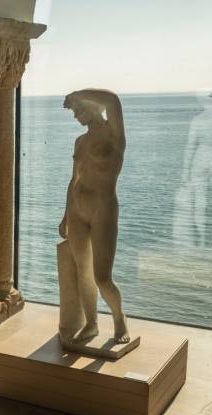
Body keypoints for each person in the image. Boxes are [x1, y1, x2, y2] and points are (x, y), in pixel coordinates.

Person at [60, 89, 130, 343]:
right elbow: (73, 179)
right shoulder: (80, 141)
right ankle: (91, 324)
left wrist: (78, 94)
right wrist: (66, 216)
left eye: (78, 110)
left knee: (102, 277)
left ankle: (119, 318)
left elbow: (113, 100)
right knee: (83, 272)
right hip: (77, 209)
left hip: (103, 208)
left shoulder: (114, 135)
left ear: (91, 106)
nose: (76, 116)